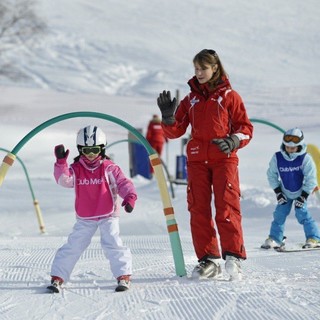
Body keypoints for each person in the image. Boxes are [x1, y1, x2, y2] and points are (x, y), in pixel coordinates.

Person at [156, 49, 253, 280]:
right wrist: (168, 117)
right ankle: (209, 259)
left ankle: (233, 257)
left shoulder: (230, 96)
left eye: (203, 69)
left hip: (223, 159)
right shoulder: (191, 100)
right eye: (196, 69)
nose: (198, 73)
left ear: (215, 68)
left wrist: (233, 140)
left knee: (226, 206)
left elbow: (246, 129)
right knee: (198, 209)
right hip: (198, 159)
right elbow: (175, 131)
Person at [47, 125, 137, 293]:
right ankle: (58, 277)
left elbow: (123, 183)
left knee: (112, 242)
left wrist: (130, 196)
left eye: (94, 150)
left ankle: (123, 275)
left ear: (102, 149)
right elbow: (64, 180)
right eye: (86, 150)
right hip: (85, 216)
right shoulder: (76, 169)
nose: (90, 154)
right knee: (74, 245)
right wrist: (61, 164)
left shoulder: (109, 167)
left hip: (108, 214)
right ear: (80, 149)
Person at [261, 128, 320, 249]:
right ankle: (275, 238)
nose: (290, 150)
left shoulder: (305, 159)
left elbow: (311, 179)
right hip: (285, 193)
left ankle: (313, 238)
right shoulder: (277, 157)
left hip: (300, 193)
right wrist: (278, 192)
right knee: (279, 214)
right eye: (287, 147)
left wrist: (303, 196)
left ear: (299, 146)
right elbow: (271, 175)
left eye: (293, 148)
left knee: (302, 214)